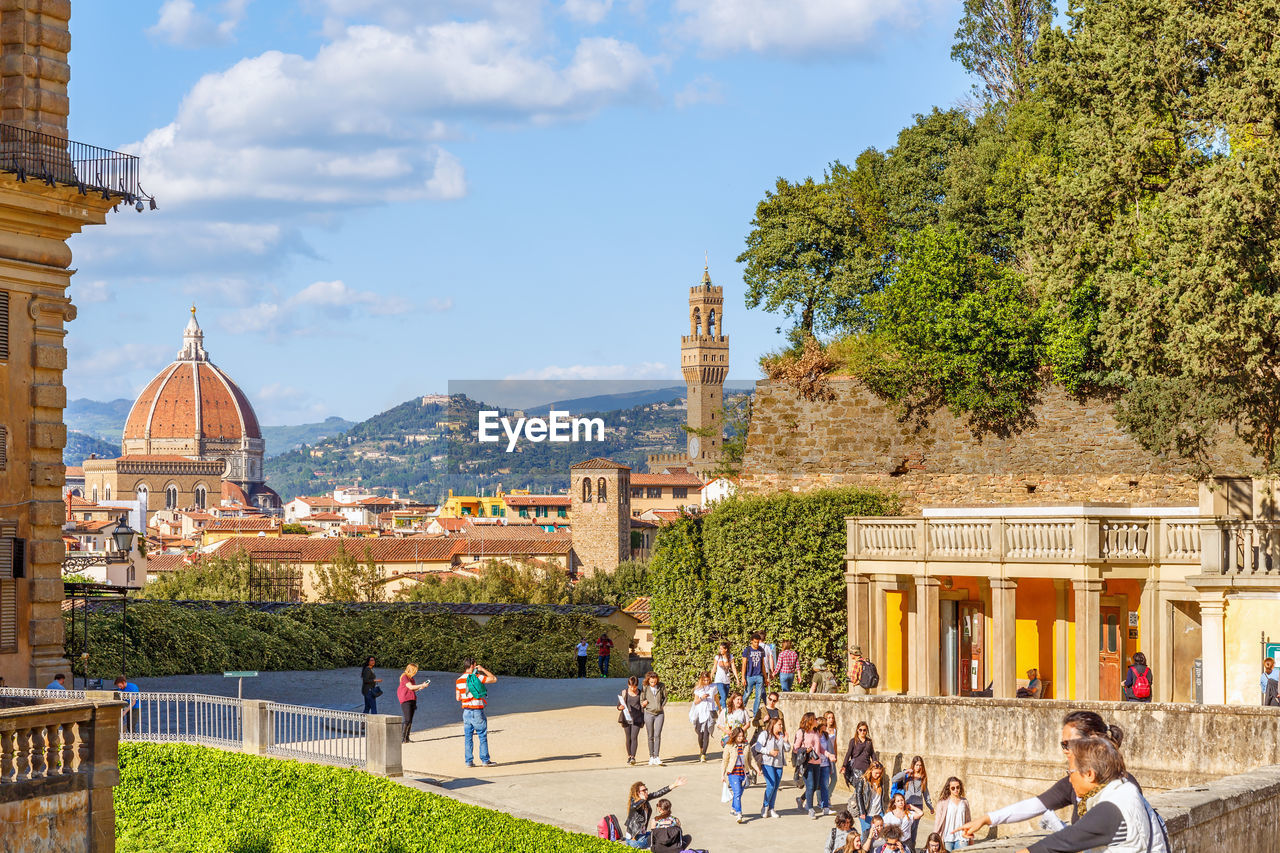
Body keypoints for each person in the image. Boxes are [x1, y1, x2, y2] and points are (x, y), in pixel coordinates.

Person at [961, 710, 1132, 839]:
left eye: (1068, 744)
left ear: (1091, 739)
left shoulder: (1122, 784)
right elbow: (1035, 805)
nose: (1065, 750)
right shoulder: (1074, 782)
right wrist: (986, 819)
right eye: (1062, 744)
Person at [1015, 737, 1168, 853]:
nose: (1069, 779)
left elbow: (1066, 840)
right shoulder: (1124, 790)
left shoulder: (1113, 806)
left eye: (1070, 772)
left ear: (1089, 774)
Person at [624, 776, 688, 849]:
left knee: (659, 833)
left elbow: (658, 793)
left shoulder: (645, 800)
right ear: (638, 793)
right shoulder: (634, 804)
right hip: (635, 841)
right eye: (644, 790)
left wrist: (674, 785)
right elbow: (635, 806)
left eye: (646, 789)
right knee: (659, 839)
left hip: (642, 835)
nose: (646, 792)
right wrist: (642, 799)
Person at [456, 658, 497, 766]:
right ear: (473, 666)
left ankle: (469, 761)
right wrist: (482, 669)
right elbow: (493, 679)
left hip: (466, 711)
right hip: (477, 710)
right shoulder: (477, 677)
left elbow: (458, 697)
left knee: (468, 737)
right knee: (482, 735)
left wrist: (467, 696)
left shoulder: (459, 680)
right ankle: (485, 760)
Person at [891, 755, 933, 848]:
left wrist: (930, 806)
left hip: (918, 806)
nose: (918, 767)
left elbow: (926, 793)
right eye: (916, 765)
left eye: (920, 765)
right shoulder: (907, 775)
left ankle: (911, 848)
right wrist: (905, 772)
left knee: (914, 829)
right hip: (907, 804)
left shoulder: (923, 777)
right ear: (913, 765)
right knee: (906, 826)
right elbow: (894, 779)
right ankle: (902, 847)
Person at [753, 716, 789, 819]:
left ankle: (771, 808)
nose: (781, 726)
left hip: (779, 764)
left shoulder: (781, 735)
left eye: (781, 724)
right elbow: (758, 747)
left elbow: (787, 749)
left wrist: (786, 740)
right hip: (767, 762)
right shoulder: (765, 734)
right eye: (779, 724)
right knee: (771, 785)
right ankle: (765, 806)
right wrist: (769, 752)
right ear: (773, 725)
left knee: (776, 786)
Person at [793, 712, 828, 818]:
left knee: (815, 786)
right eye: (815, 719)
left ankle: (801, 799)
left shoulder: (815, 732)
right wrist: (805, 750)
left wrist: (828, 754)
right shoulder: (801, 732)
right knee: (811, 785)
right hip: (806, 763)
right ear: (810, 720)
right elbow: (795, 749)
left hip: (817, 763)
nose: (817, 720)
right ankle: (810, 808)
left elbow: (820, 748)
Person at [721, 726, 756, 823]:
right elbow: (725, 761)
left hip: (744, 773)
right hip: (733, 773)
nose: (741, 738)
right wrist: (722, 775)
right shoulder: (729, 746)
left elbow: (751, 760)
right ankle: (739, 814)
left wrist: (757, 769)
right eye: (739, 736)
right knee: (737, 793)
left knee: (739, 794)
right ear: (735, 736)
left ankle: (733, 809)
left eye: (742, 736)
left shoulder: (746, 746)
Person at [850, 759, 889, 837]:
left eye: (880, 773)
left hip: (879, 812)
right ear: (871, 770)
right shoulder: (863, 780)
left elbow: (883, 796)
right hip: (867, 813)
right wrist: (862, 812)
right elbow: (859, 795)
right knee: (866, 835)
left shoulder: (881, 781)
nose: (878, 775)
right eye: (876, 773)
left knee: (880, 834)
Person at [689, 672, 719, 762]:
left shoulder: (713, 686)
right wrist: (702, 698)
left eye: (708, 680)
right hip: (700, 712)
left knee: (707, 733)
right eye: (705, 680)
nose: (706, 681)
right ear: (702, 679)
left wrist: (720, 708)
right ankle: (701, 749)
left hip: (710, 711)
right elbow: (695, 702)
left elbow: (716, 698)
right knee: (700, 734)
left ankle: (703, 754)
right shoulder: (698, 688)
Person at [935, 776, 971, 850]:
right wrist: (935, 837)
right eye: (953, 788)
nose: (956, 790)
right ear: (949, 788)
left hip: (962, 838)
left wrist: (971, 837)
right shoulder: (942, 802)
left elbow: (968, 820)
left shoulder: (964, 802)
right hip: (947, 837)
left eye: (958, 787)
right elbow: (938, 821)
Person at [640, 670, 667, 766]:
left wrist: (662, 706)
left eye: (655, 682)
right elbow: (641, 699)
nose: (653, 683)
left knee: (657, 735)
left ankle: (657, 756)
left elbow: (665, 698)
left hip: (659, 713)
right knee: (650, 736)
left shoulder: (661, 686)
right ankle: (651, 756)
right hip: (648, 713)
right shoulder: (645, 687)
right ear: (648, 680)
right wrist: (644, 703)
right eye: (651, 682)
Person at [398, 663, 429, 744]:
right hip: (405, 699)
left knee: (410, 720)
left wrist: (420, 687)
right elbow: (410, 687)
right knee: (407, 719)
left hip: (412, 698)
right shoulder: (404, 676)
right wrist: (421, 685)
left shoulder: (411, 678)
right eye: (415, 671)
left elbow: (413, 689)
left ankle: (407, 738)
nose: (415, 672)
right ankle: (402, 737)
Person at [619, 675, 644, 765]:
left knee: (634, 737)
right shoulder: (624, 692)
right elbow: (619, 705)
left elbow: (643, 705)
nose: (632, 688)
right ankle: (629, 756)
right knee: (628, 738)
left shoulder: (641, 693)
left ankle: (633, 757)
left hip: (637, 718)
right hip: (626, 717)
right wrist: (620, 707)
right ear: (628, 684)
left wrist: (644, 706)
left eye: (634, 686)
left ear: (637, 685)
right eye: (630, 686)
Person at [842, 720, 877, 786]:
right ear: (857, 730)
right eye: (860, 730)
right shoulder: (853, 741)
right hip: (856, 768)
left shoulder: (869, 742)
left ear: (867, 731)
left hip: (866, 768)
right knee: (859, 788)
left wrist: (876, 764)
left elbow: (872, 754)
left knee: (865, 789)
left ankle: (855, 796)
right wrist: (844, 766)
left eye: (864, 730)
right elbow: (848, 754)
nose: (862, 732)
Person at [741, 632, 768, 715]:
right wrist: (743, 677)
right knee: (747, 694)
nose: (756, 644)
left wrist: (765, 677)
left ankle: (755, 713)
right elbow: (744, 664)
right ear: (751, 641)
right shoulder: (747, 650)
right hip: (750, 676)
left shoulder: (761, 650)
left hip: (759, 676)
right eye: (755, 642)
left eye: (758, 642)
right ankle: (741, 709)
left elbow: (763, 664)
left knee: (758, 696)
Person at [712, 641, 736, 708]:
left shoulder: (731, 657)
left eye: (722, 649)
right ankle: (725, 713)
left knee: (724, 698)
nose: (720, 650)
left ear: (726, 650)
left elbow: (733, 668)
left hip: (727, 680)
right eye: (720, 649)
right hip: (719, 679)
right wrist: (710, 676)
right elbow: (714, 668)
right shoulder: (717, 657)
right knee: (723, 695)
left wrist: (737, 678)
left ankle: (716, 709)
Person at [823, 710, 840, 800]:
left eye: (832, 718)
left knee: (834, 779)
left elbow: (835, 744)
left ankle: (827, 796)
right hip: (824, 755)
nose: (831, 720)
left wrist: (835, 754)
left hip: (832, 756)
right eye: (829, 718)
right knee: (824, 780)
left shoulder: (834, 730)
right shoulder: (823, 730)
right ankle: (821, 800)